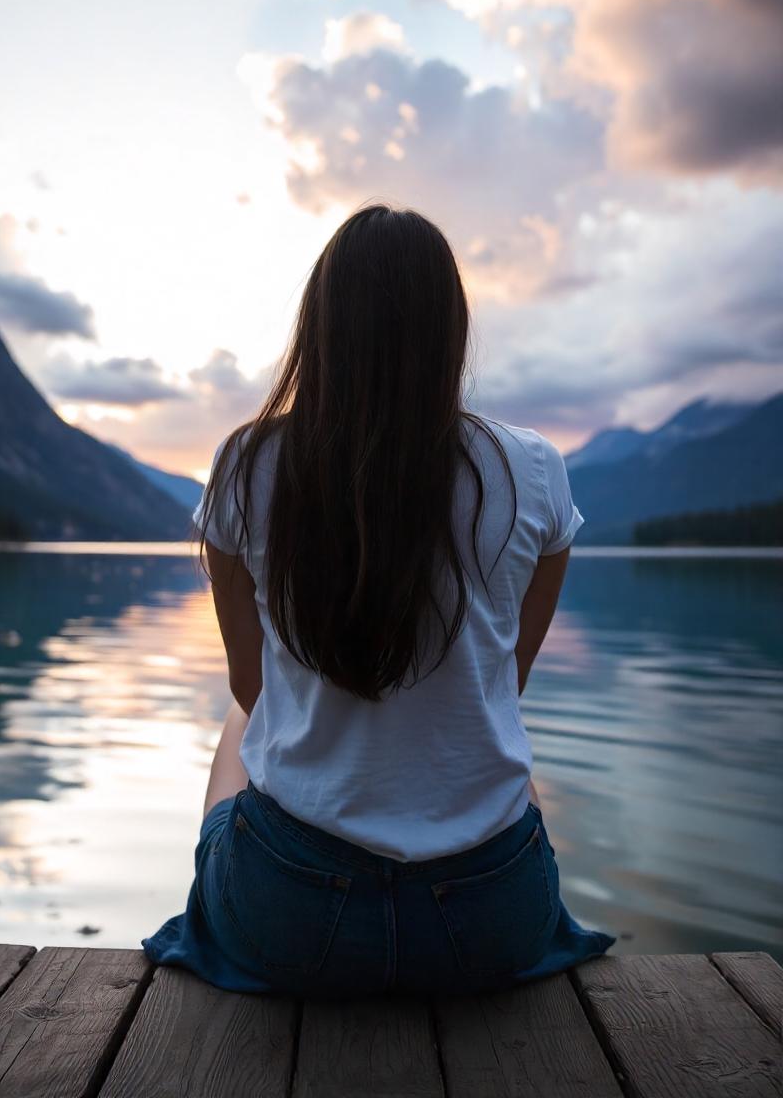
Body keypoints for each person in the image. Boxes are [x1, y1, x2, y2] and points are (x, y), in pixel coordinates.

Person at [141, 201, 616, 998]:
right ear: (449, 330)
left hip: (292, 916)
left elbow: (250, 686)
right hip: (489, 918)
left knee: (238, 720)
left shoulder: (247, 464)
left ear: (320, 325)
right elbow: (508, 683)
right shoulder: (533, 469)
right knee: (487, 722)